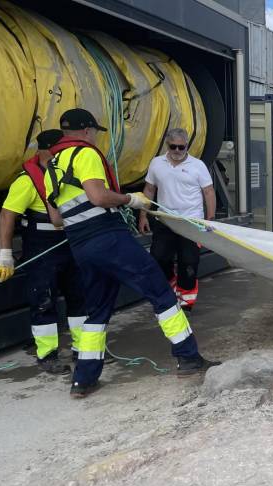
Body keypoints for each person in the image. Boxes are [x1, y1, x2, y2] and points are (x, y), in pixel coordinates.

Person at [44, 108, 218, 398]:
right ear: (87, 132)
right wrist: (130, 200)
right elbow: (99, 196)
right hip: (107, 237)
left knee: (97, 311)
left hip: (80, 245)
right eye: (95, 132)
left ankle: (83, 380)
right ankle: (188, 357)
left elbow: (56, 219)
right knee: (160, 290)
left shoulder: (52, 166)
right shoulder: (85, 154)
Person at [0, 129, 86, 374]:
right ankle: (47, 354)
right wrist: (5, 255)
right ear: (48, 150)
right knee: (43, 298)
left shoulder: (68, 173)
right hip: (41, 244)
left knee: (79, 295)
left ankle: (84, 349)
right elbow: (7, 216)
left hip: (71, 240)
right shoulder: (27, 181)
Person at [138, 128, 215, 311]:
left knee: (188, 263)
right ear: (167, 145)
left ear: (187, 146)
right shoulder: (157, 164)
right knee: (158, 258)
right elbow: (149, 190)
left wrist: (210, 219)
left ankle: (186, 301)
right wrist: (143, 215)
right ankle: (171, 284)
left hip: (191, 223)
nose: (178, 151)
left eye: (182, 147)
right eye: (174, 147)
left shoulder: (198, 166)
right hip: (166, 220)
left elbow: (208, 192)